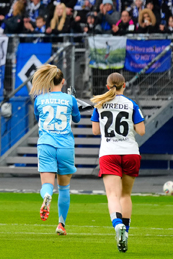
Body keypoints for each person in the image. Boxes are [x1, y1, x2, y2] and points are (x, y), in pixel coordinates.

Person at [90, 72, 145, 253]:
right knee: (125, 195)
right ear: (125, 86)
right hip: (130, 153)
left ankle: (117, 225)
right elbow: (142, 130)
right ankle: (126, 232)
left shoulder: (100, 104)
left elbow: (96, 131)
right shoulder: (132, 104)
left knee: (113, 195)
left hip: (109, 153)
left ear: (107, 87)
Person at [31, 64, 81, 235]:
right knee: (64, 188)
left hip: (46, 144)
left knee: (46, 184)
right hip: (65, 145)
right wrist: (72, 100)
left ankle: (47, 196)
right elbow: (77, 119)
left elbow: (37, 117)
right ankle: (61, 224)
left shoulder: (39, 99)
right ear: (63, 81)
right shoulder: (70, 99)